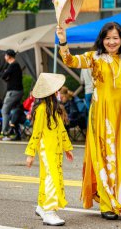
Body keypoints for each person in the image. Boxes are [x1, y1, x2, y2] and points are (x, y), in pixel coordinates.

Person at [57, 21, 121, 220]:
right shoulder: (94, 58)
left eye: (115, 38)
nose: (111, 42)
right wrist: (63, 40)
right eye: (107, 38)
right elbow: (70, 61)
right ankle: (108, 204)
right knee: (103, 157)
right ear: (102, 39)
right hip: (100, 116)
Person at [25, 73, 74, 226]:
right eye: (56, 90)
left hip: (56, 150)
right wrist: (31, 153)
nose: (58, 92)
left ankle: (41, 206)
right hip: (47, 150)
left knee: (46, 178)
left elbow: (62, 130)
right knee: (52, 179)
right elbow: (36, 133)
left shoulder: (54, 108)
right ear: (51, 93)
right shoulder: (41, 110)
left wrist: (67, 148)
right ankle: (49, 212)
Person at [1, 49, 23, 139]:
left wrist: (6, 74)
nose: (4, 57)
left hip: (13, 92)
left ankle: (5, 132)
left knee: (5, 110)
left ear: (8, 56)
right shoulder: (16, 65)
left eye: (5, 55)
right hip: (18, 91)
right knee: (14, 111)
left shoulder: (13, 65)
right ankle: (17, 133)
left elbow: (3, 76)